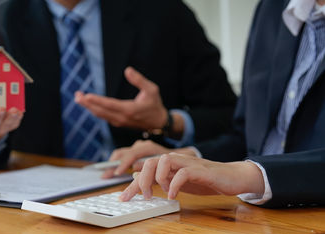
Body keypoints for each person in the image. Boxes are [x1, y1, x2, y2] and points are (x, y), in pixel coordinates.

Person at [0, 0, 237, 169]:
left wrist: (168, 121)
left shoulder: (163, 11)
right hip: (43, 200)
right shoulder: (6, 16)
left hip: (143, 185)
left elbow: (231, 116)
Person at [117, 0, 325, 210]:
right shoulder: (273, 7)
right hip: (253, 212)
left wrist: (249, 175)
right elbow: (247, 137)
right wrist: (192, 157)